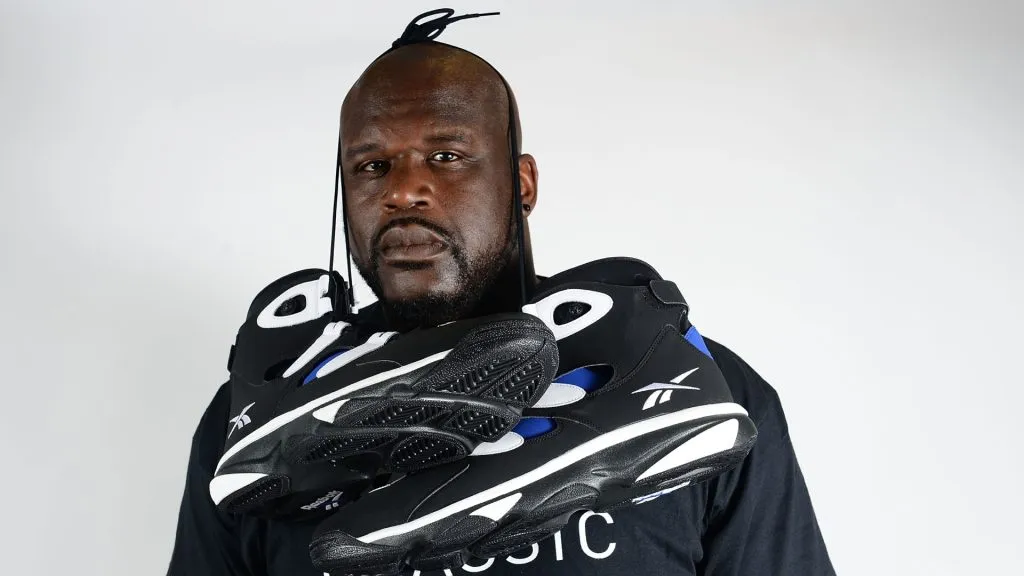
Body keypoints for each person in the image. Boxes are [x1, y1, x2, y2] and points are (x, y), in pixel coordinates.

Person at [168, 12, 835, 576]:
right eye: (372, 166)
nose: (402, 190)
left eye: (447, 156)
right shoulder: (251, 428)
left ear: (522, 185)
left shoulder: (702, 389)